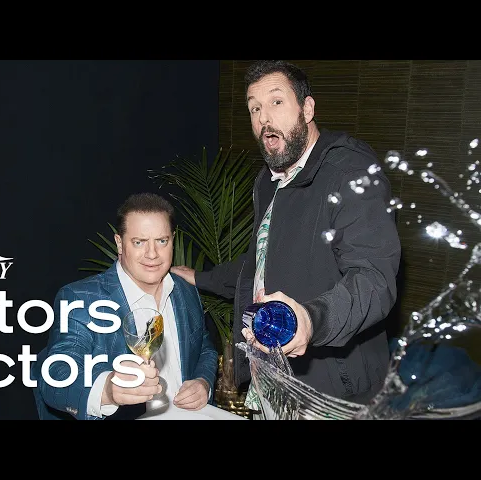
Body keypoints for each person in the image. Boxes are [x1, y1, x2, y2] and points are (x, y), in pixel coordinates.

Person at [171, 60, 402, 417]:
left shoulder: (349, 173)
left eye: (276, 102)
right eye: (254, 108)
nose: (264, 118)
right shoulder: (269, 180)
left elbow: (374, 281)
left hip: (329, 394)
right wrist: (200, 278)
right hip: (273, 383)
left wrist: (311, 319)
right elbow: (259, 264)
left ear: (307, 109)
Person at [31, 192, 219, 420]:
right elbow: (56, 375)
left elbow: (204, 347)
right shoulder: (80, 298)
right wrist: (107, 390)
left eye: (162, 241)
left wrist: (203, 382)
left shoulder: (185, 290)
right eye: (139, 242)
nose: (152, 254)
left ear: (172, 240)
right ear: (119, 243)